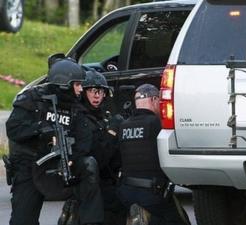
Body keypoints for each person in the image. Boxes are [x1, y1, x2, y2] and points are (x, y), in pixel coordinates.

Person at [6, 58, 103, 225]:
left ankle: (87, 219)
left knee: (89, 165)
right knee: (22, 220)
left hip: (62, 164)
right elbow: (13, 129)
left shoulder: (75, 107)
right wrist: (41, 129)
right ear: (65, 83)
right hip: (30, 164)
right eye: (77, 84)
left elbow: (85, 140)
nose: (81, 89)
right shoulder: (33, 98)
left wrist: (71, 155)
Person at [58, 70, 126, 225]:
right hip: (86, 181)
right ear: (83, 92)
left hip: (107, 180)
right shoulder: (80, 118)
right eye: (92, 91)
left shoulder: (104, 117)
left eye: (100, 91)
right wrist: (112, 132)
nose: (97, 95)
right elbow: (96, 159)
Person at [115, 84, 189, 225]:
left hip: (126, 192)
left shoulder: (123, 125)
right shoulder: (157, 123)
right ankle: (146, 217)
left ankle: (140, 216)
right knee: (178, 220)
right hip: (152, 192)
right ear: (154, 100)